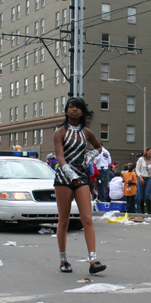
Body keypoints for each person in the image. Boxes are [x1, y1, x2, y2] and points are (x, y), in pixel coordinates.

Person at [53, 97, 106, 276]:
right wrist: (71, 175)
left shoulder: (86, 132)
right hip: (64, 178)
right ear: (66, 110)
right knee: (64, 220)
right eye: (71, 107)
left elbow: (100, 148)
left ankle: (93, 260)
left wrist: (90, 155)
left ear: (83, 111)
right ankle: (64, 259)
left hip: (82, 176)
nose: (74, 110)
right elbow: (60, 157)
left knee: (87, 218)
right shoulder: (59, 132)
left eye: (77, 107)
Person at [136, 148, 151, 214]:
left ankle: (149, 211)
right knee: (141, 196)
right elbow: (137, 169)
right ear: (146, 152)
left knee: (147, 194)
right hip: (142, 177)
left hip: (150, 178)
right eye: (150, 151)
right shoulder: (141, 159)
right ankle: (142, 211)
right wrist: (140, 176)